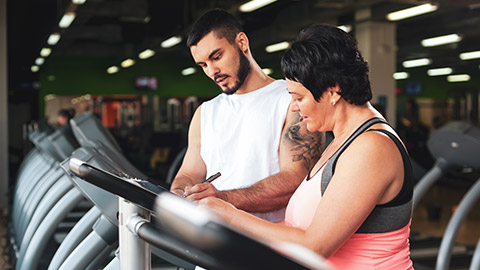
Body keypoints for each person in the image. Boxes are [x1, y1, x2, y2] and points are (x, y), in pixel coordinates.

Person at [199, 24, 414, 270]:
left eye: (299, 97)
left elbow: (315, 246)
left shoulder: (372, 147)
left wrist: (230, 214)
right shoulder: (341, 141)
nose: (294, 107)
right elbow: (296, 230)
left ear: (333, 90)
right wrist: (229, 225)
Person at [170, 9, 324, 222]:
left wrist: (222, 199)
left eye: (217, 57)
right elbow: (188, 174)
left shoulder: (292, 101)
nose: (212, 71)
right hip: (215, 238)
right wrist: (180, 194)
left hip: (270, 243)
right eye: (203, 65)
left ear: (241, 42)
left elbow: (296, 180)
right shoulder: (205, 113)